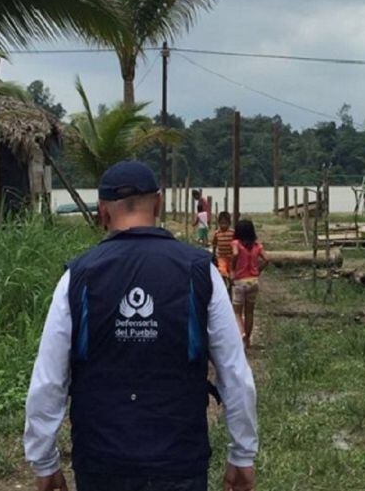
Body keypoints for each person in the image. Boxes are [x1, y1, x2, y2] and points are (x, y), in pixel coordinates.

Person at [24, 161, 257, 491]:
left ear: (103, 212)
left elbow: (48, 380)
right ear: (158, 205)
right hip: (179, 462)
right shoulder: (200, 272)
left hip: (101, 463)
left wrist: (45, 462)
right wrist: (242, 454)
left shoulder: (77, 278)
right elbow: (235, 372)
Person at [230, 220, 267, 350]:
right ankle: (248, 340)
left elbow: (234, 254)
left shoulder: (236, 243)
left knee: (237, 312)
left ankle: (242, 334)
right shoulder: (257, 245)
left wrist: (232, 270)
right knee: (250, 312)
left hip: (240, 281)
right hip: (253, 281)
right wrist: (258, 271)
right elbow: (267, 259)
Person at [212, 212, 236, 293]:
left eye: (225, 223)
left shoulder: (232, 232)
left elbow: (236, 243)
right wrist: (214, 253)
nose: (223, 226)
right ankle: (225, 284)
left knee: (231, 271)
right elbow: (214, 243)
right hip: (221, 256)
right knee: (222, 270)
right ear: (219, 223)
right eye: (221, 223)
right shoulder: (217, 233)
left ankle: (230, 284)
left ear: (229, 223)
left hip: (231, 257)